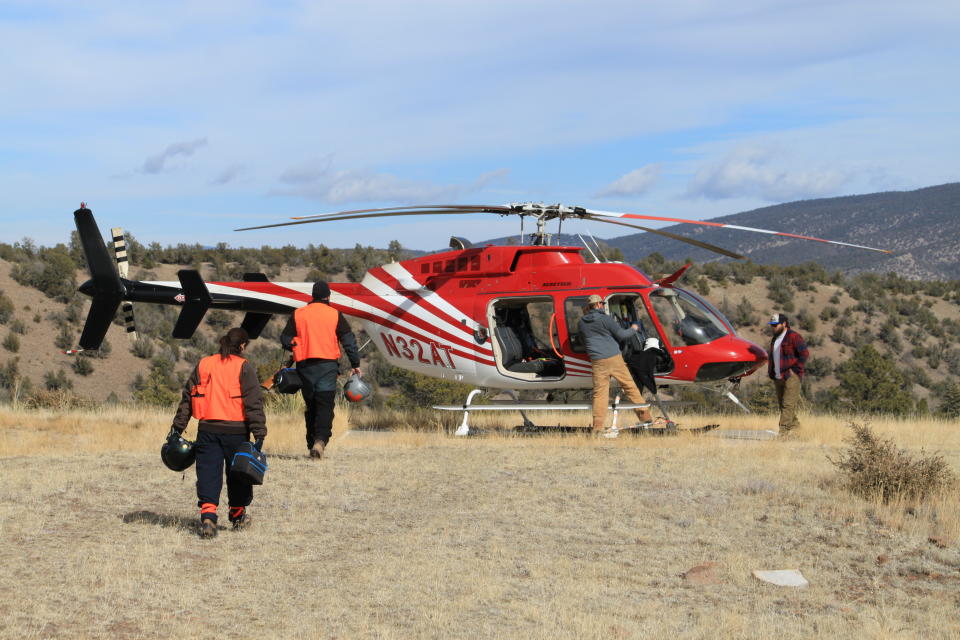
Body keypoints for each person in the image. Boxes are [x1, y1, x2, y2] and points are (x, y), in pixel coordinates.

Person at [171, 327, 266, 539]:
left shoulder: (204, 364)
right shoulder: (244, 366)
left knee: (208, 473)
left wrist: (178, 426)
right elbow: (254, 402)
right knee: (239, 476)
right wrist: (259, 432)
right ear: (242, 346)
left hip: (207, 430)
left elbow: (188, 397)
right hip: (237, 432)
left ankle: (208, 518)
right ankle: (238, 515)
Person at [281, 281, 361, 460]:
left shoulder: (299, 314)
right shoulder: (335, 314)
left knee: (311, 407)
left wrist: (296, 344)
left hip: (305, 367)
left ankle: (311, 444)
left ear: (313, 296)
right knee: (325, 406)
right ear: (328, 296)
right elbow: (349, 341)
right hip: (327, 367)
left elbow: (285, 339)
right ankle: (320, 441)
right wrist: (355, 363)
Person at [578, 294, 653, 433]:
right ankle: (645, 417)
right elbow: (622, 335)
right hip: (614, 357)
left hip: (597, 360)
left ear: (588, 307)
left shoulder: (582, 322)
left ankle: (598, 427)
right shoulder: (605, 319)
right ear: (600, 304)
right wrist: (634, 328)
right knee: (630, 387)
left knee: (600, 394)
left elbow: (582, 341)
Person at [767, 313, 809, 436]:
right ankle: (799, 432)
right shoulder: (775, 338)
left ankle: (783, 434)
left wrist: (795, 370)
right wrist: (772, 373)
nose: (773, 327)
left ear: (784, 324)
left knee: (787, 405)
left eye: (775, 325)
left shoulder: (794, 337)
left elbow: (804, 354)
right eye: (772, 325)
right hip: (778, 377)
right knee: (784, 407)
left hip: (791, 377)